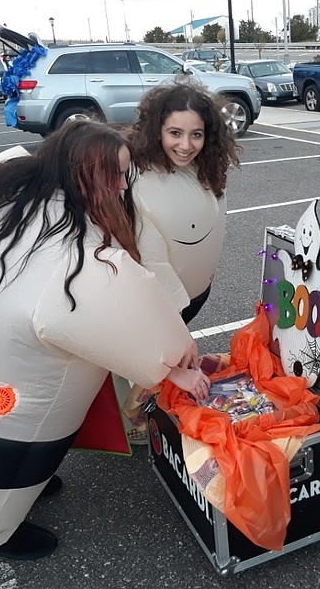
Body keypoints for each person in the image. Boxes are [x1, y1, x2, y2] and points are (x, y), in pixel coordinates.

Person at [0, 120, 213, 563]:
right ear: (84, 173)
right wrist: (176, 364)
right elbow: (125, 312)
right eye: (117, 175)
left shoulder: (12, 189)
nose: (125, 185)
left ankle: (19, 492)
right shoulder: (71, 255)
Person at [118, 79, 240, 443]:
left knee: (160, 362)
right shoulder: (136, 177)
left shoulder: (202, 168)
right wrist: (175, 333)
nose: (186, 145)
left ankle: (149, 404)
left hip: (191, 296)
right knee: (154, 361)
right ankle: (135, 424)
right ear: (157, 129)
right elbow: (151, 259)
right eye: (175, 133)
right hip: (160, 304)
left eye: (196, 135)